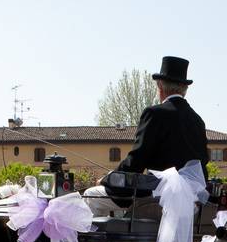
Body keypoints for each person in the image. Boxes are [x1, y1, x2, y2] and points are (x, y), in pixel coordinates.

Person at [85, 56, 210, 215]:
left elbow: (137, 160)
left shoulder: (154, 113)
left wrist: (108, 178)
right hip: (190, 200)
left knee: (91, 195)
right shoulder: (198, 120)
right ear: (185, 88)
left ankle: (93, 240)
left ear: (160, 86)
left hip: (157, 195)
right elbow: (202, 162)